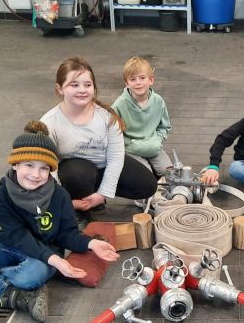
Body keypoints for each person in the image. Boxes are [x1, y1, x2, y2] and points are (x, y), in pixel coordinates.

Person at [0, 121, 120, 322]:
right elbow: (18, 236)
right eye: (29, 165)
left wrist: (91, 243)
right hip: (15, 247)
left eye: (44, 168)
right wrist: (58, 262)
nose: (36, 175)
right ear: (15, 164)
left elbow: (67, 234)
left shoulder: (60, 195)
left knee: (32, 275)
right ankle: (10, 294)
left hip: (46, 255)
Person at [41, 57, 157, 223]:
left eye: (87, 85)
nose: (82, 90)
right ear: (60, 89)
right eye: (74, 85)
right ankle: (80, 210)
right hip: (75, 173)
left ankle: (95, 199)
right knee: (77, 173)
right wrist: (64, 201)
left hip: (103, 166)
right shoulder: (49, 123)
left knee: (148, 185)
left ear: (94, 87)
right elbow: (47, 167)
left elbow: (116, 157)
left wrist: (103, 193)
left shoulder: (107, 117)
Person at [111, 56, 173, 177]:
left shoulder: (158, 101)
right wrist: (128, 143)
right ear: (127, 83)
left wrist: (158, 141)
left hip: (153, 146)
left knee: (169, 172)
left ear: (151, 80)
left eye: (142, 78)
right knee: (145, 175)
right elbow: (113, 130)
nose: (138, 82)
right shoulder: (119, 104)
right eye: (133, 79)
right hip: (132, 149)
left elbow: (164, 126)